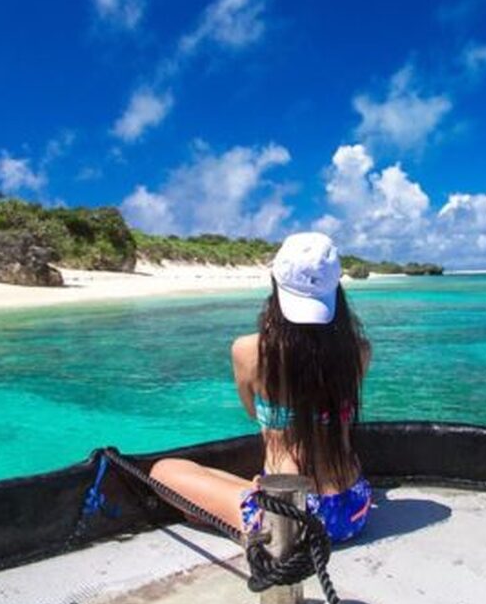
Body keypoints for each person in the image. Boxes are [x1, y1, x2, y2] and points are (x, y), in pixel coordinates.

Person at [150, 231, 372, 543]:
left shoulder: (249, 351)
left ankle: (231, 508)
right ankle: (244, 495)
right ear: (336, 289)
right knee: (230, 482)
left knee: (163, 471)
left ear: (275, 283)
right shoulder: (359, 350)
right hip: (352, 508)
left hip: (289, 519)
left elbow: (253, 413)